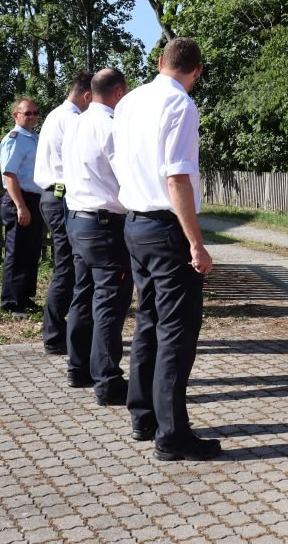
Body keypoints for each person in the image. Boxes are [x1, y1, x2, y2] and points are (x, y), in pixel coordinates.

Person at [111, 37, 220, 461]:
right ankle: (173, 435)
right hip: (165, 227)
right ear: (197, 71)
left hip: (134, 223)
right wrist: (196, 244)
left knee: (150, 321)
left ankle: (143, 417)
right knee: (176, 332)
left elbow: (118, 161)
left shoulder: (130, 102)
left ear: (160, 62)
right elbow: (177, 179)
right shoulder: (181, 106)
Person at [62, 68, 132, 404]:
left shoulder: (74, 124)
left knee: (82, 294)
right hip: (105, 225)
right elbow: (127, 175)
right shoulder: (112, 126)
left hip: (76, 219)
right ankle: (107, 380)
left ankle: (78, 368)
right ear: (119, 92)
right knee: (108, 302)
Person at [34, 72, 92, 355]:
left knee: (67, 267)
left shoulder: (56, 115)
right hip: (61, 197)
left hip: (54, 196)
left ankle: (59, 333)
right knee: (67, 268)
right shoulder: (72, 119)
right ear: (87, 96)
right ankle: (55, 335)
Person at [0, 98, 44, 317]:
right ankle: (11, 302)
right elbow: (9, 175)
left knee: (31, 249)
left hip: (34, 199)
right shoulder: (14, 139)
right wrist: (20, 206)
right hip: (19, 198)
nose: (33, 117)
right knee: (16, 251)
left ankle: (25, 297)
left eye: (35, 113)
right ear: (15, 115)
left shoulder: (33, 138)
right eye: (28, 113)